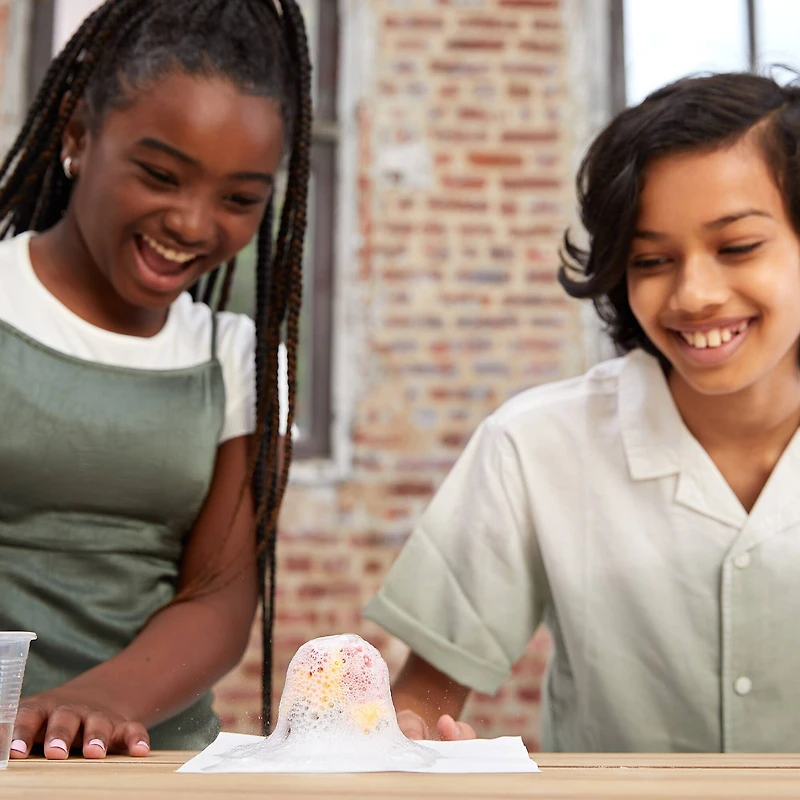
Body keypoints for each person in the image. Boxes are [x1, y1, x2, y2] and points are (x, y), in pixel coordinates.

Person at [364, 71, 800, 752]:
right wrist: (422, 740)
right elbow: (424, 696)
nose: (694, 293)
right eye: (651, 259)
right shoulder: (535, 445)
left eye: (737, 247)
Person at [1, 0, 312, 759]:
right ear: (78, 135)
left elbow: (219, 597)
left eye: (239, 200)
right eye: (160, 175)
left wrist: (99, 700)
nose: (194, 224)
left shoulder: (239, 359)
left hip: (152, 760)